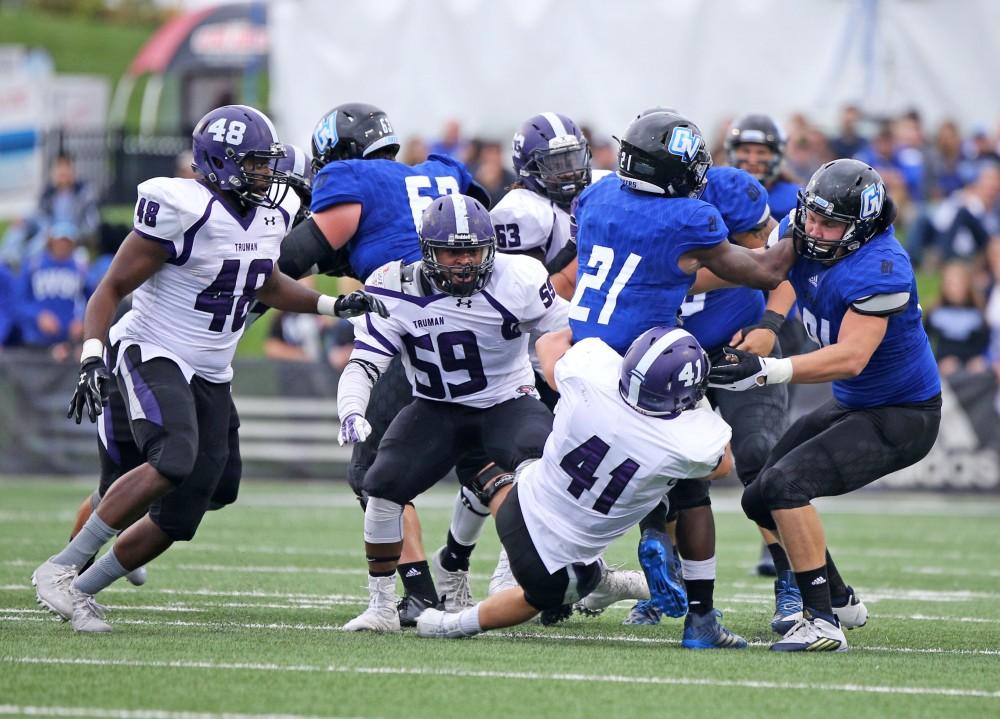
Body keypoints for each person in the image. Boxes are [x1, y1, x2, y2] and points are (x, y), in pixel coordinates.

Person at [31, 104, 389, 633]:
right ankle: (59, 570)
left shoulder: (267, 214)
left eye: (268, 164)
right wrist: (91, 354)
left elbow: (264, 282)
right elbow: (110, 288)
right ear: (220, 163)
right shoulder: (181, 207)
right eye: (255, 164)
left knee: (204, 498)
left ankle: (82, 590)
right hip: (154, 348)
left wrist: (331, 306)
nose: (267, 175)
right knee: (172, 458)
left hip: (211, 367)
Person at [565, 110, 793, 647]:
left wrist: (766, 324)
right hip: (664, 357)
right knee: (693, 481)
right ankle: (699, 618)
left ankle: (591, 566)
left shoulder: (597, 197)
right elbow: (766, 268)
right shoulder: (690, 218)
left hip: (595, 356)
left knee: (651, 472)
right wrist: (807, 231)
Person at [709, 159, 941, 652]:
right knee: (758, 495)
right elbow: (785, 273)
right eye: (811, 217)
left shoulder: (882, 265)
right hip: (857, 405)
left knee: (787, 485)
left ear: (864, 225)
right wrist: (770, 325)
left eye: (830, 223)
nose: (814, 230)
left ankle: (821, 622)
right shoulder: (810, 231)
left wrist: (770, 368)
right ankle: (837, 596)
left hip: (902, 415)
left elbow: (853, 357)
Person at [336, 193, 568, 632]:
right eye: (452, 251)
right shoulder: (392, 285)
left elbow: (564, 332)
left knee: (541, 467)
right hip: (436, 407)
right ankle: (382, 606)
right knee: (382, 486)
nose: (463, 262)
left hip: (507, 401)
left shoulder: (519, 278)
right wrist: (351, 410)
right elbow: (364, 363)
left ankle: (512, 576)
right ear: (427, 251)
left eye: (472, 250)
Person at [415, 326, 733, 640]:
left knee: (541, 439)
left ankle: (615, 567)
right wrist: (698, 402)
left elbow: (550, 341)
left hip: (518, 501)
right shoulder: (691, 441)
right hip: (556, 561)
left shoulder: (590, 370)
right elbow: (721, 466)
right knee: (546, 595)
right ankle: (452, 624)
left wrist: (602, 326)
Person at [13, 221, 87, 350]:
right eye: (59, 241)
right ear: (51, 242)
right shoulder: (33, 266)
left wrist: (82, 321)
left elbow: (89, 299)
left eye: (67, 242)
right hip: (36, 343)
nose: (62, 246)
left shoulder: (80, 269)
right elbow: (18, 302)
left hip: (69, 342)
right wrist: (38, 316)